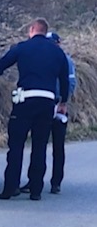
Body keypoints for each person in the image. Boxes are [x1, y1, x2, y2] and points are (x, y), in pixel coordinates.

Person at [0, 18, 71, 201]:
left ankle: (10, 188)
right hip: (47, 102)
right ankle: (36, 191)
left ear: (32, 30)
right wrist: (63, 102)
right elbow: (64, 80)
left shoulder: (22, 48)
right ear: (45, 31)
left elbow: (1, 66)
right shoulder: (58, 54)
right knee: (39, 147)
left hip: (25, 101)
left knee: (16, 146)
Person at [47, 30, 78, 194]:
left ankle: (56, 182)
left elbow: (71, 82)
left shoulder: (66, 61)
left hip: (59, 106)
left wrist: (63, 101)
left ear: (58, 43)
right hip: (44, 105)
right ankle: (34, 180)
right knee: (39, 145)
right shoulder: (42, 59)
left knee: (58, 147)